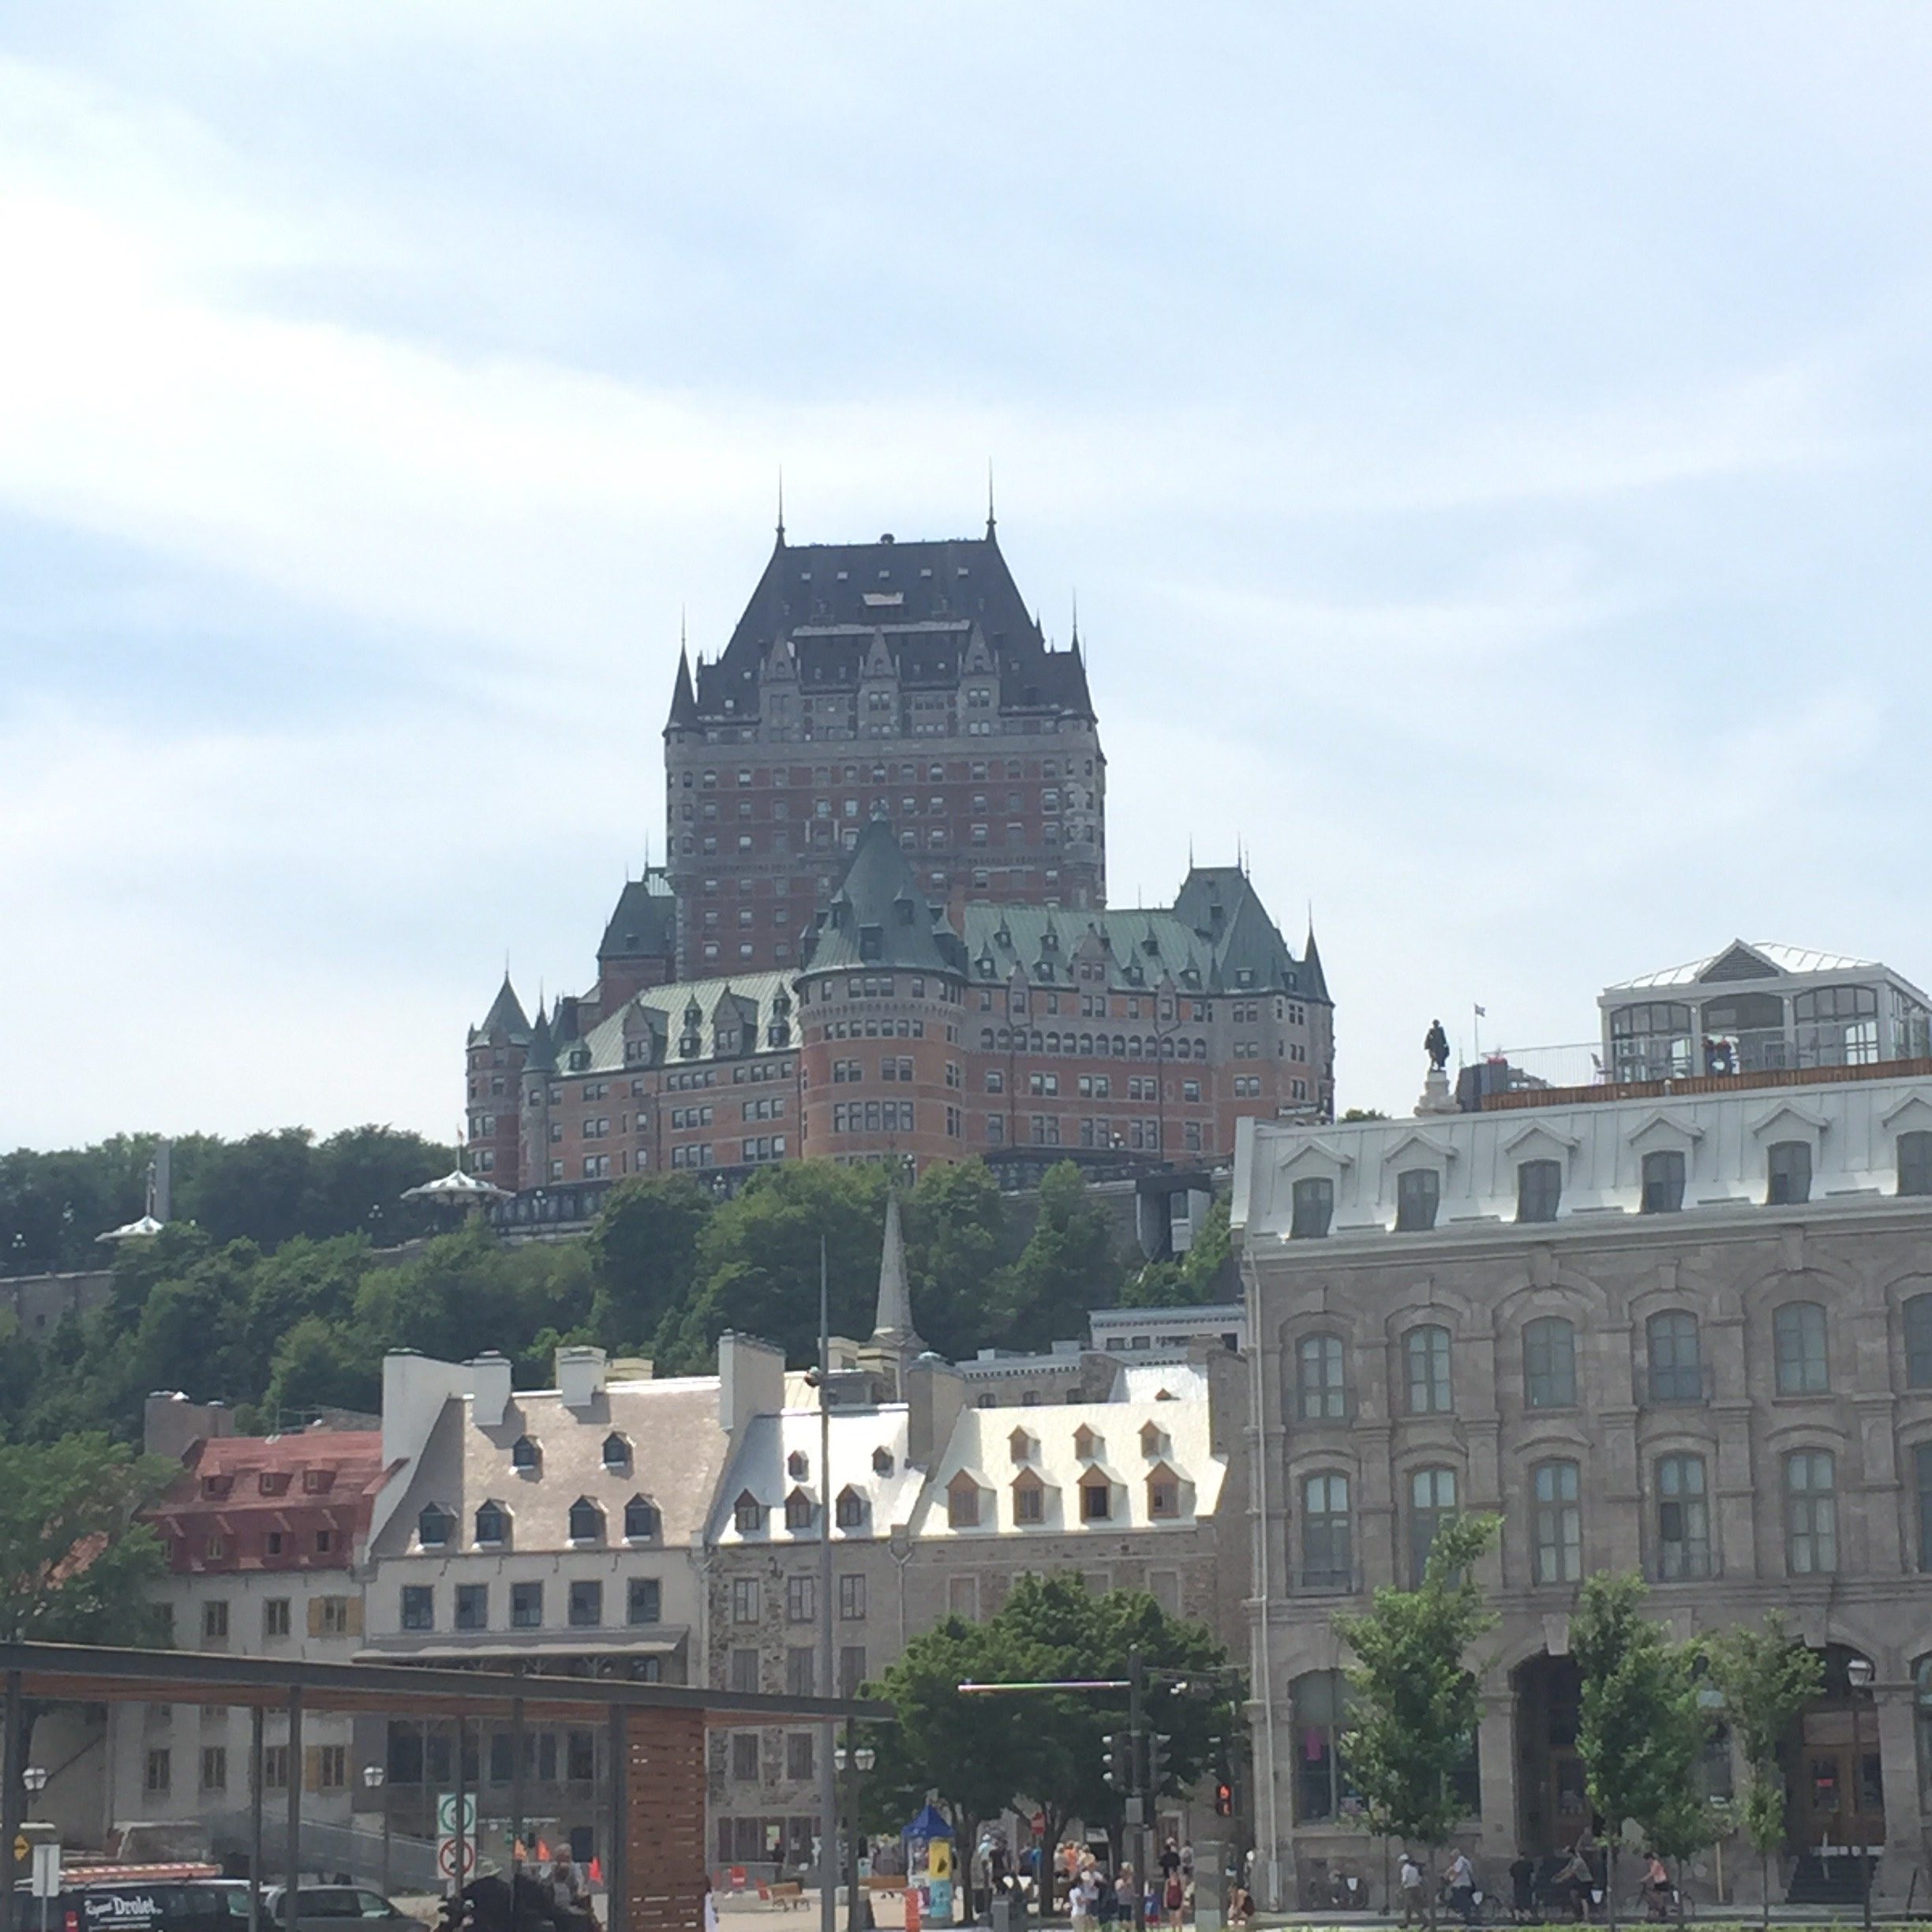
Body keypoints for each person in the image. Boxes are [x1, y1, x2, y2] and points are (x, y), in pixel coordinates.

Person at [1443, 1848, 1476, 1927]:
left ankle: (1468, 1920)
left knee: (1461, 1901)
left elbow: (1457, 1873)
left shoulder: (1460, 1861)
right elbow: (1452, 1869)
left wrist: (1451, 1881)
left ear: (1456, 1856)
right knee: (1459, 1899)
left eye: (1452, 1857)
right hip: (1465, 1884)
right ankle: (1464, 1915)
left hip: (1462, 1885)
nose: (1451, 1859)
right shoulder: (1464, 1860)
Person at [1399, 1853, 1426, 1928]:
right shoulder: (1414, 1868)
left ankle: (1425, 1921)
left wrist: (1400, 1889)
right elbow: (1419, 1879)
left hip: (1409, 1889)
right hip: (1416, 1888)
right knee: (1408, 1907)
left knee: (1414, 1906)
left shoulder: (1405, 1868)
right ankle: (1406, 1923)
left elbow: (1404, 1880)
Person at [1510, 1852, 1536, 1924]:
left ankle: (1517, 1917)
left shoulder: (1515, 1865)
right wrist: (1533, 1884)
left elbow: (1511, 1875)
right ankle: (1526, 1917)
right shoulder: (1529, 1865)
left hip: (1517, 1885)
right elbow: (1532, 1876)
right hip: (1526, 1885)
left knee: (1518, 1900)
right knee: (1527, 1901)